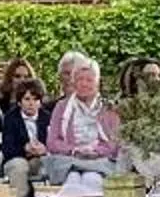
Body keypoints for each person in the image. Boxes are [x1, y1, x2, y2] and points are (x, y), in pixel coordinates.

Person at [36, 52, 125, 186]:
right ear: (73, 82)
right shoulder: (61, 107)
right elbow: (52, 142)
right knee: (72, 179)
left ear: (97, 83)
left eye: (89, 80)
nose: (84, 84)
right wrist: (74, 150)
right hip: (69, 160)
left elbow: (114, 143)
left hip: (100, 161)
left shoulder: (109, 109)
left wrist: (95, 152)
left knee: (91, 179)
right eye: (79, 79)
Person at [0, 80, 47, 190]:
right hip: (17, 158)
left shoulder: (47, 118)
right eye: (27, 99)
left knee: (49, 165)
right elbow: (8, 149)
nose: (31, 103)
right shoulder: (10, 118)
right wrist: (25, 148)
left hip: (39, 159)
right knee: (19, 166)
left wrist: (44, 149)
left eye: (36, 99)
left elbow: (54, 143)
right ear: (19, 102)